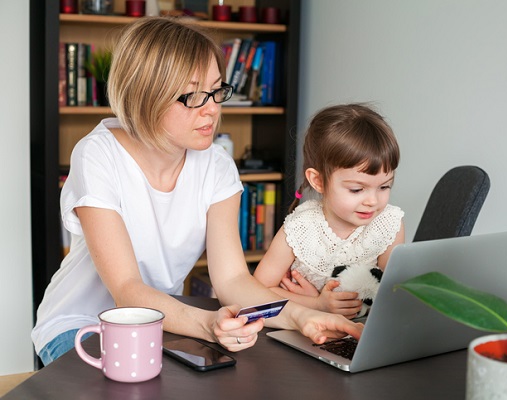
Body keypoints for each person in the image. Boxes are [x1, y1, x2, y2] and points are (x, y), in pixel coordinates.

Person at [31, 17, 362, 366]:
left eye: (217, 90)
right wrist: (207, 325)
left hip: (162, 320)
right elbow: (127, 289)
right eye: (192, 96)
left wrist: (300, 317)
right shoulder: (98, 154)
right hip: (81, 325)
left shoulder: (216, 166)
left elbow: (232, 279)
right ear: (144, 95)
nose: (212, 109)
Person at [253, 104, 405, 319]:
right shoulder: (300, 228)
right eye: (356, 189)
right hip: (306, 328)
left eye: (384, 187)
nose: (372, 201)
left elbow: (391, 295)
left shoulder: (389, 224)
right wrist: (316, 303)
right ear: (318, 181)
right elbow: (257, 290)